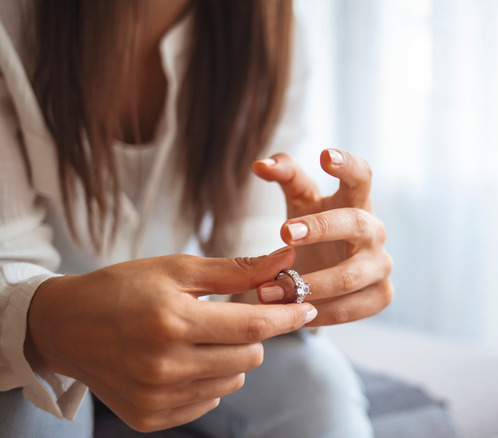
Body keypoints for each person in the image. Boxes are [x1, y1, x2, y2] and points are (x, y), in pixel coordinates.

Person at [0, 0, 393, 436]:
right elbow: (10, 262)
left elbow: (249, 247)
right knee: (27, 409)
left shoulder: (269, 31)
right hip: (46, 329)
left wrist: (291, 274)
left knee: (319, 387)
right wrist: (46, 324)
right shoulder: (12, 22)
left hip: (173, 329)